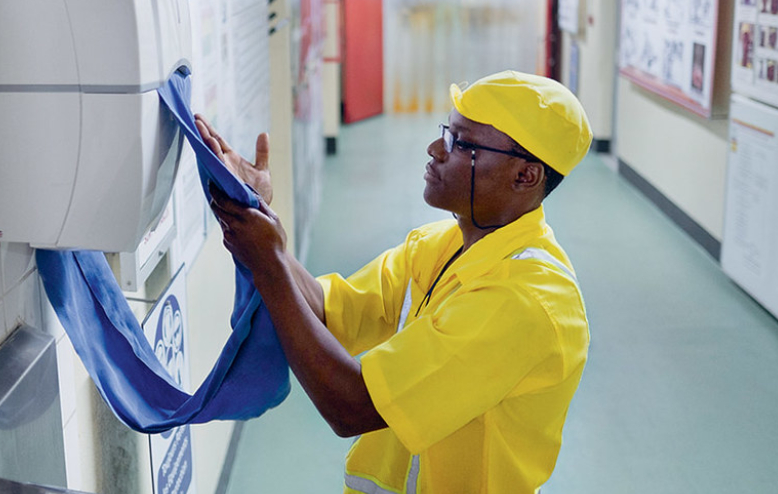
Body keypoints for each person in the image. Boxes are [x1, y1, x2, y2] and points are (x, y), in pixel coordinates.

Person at [197, 70, 592, 493]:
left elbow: (351, 406)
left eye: (462, 143)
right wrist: (256, 213)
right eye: (447, 132)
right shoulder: (441, 245)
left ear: (525, 176)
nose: (435, 149)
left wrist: (270, 263)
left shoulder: (525, 301)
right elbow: (329, 311)